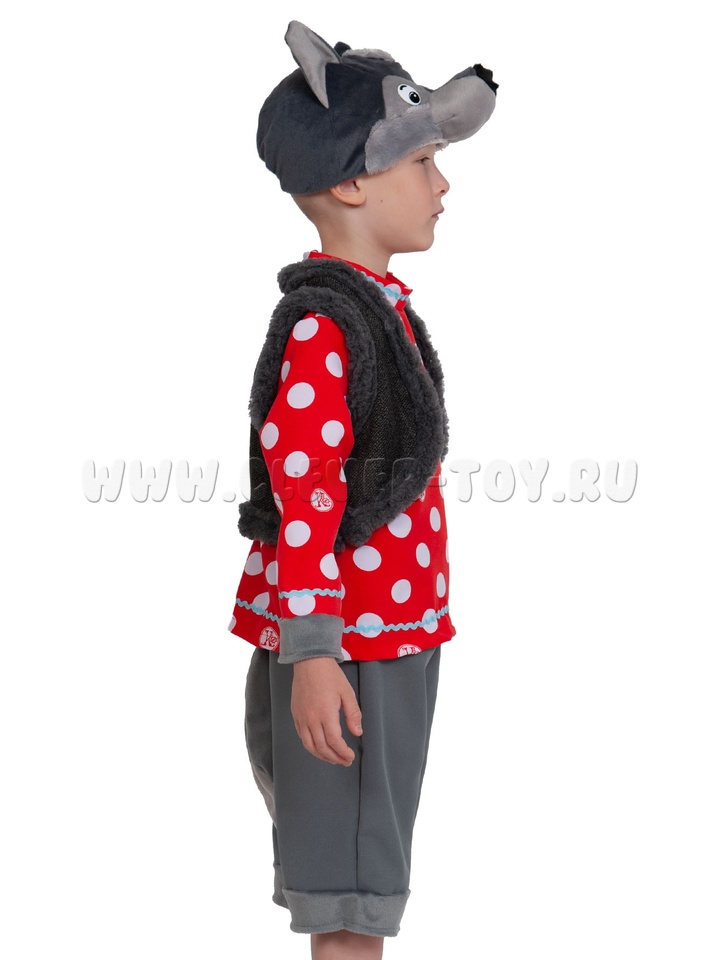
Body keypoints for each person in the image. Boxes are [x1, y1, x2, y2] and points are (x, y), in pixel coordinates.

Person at [228, 21, 498, 959]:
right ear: (352, 182)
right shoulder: (325, 328)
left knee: (367, 877)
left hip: (390, 634)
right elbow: (305, 498)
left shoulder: (377, 313)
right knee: (349, 892)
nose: (442, 184)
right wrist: (313, 653)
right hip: (347, 644)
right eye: (423, 161)